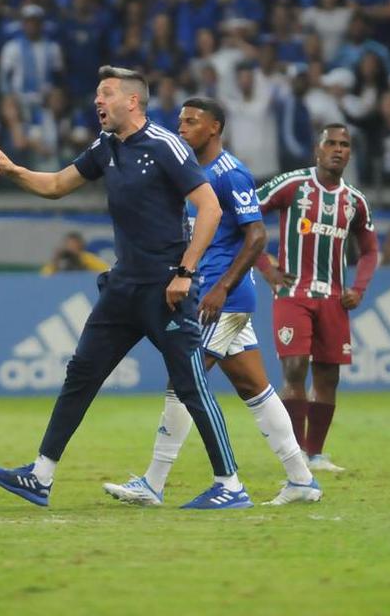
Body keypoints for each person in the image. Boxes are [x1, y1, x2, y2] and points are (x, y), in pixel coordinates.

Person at [0, 66, 247, 509]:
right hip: (123, 286)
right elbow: (57, 185)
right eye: (96, 96)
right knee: (81, 373)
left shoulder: (165, 146)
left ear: (132, 102)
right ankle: (41, 475)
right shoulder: (106, 146)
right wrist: (13, 170)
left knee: (191, 385)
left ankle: (230, 485)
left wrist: (186, 272)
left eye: (105, 94)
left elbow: (210, 208)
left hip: (165, 288)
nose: (97, 102)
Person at [103, 97, 320, 507]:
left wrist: (220, 287)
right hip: (216, 296)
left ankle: (157, 482)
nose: (181, 128)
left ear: (214, 128)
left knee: (182, 382)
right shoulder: (190, 174)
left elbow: (257, 236)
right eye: (180, 121)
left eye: (191, 122)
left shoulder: (230, 173)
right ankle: (301, 478)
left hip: (221, 298)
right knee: (254, 387)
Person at [255, 124, 379, 472]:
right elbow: (244, 216)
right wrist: (267, 269)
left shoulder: (355, 200)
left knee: (327, 377)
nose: (338, 150)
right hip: (292, 294)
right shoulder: (292, 185)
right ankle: (295, 457)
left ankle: (315, 454)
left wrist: (359, 288)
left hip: (335, 299)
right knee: (295, 369)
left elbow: (369, 251)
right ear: (318, 149)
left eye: (344, 145)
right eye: (331, 144)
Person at [40, 232, 110, 275]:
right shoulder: (60, 260)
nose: (71, 247)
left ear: (80, 245)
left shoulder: (87, 258)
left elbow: (105, 270)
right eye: (68, 244)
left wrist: (80, 257)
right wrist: (55, 262)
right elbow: (44, 276)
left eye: (74, 245)